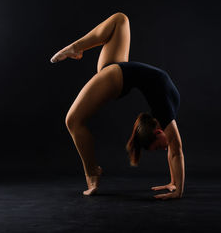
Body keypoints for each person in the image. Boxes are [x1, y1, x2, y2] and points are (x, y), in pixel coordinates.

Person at [50, 12, 185, 200]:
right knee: (72, 121)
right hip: (115, 74)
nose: (163, 149)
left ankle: (76, 48)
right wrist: (178, 191)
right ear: (157, 132)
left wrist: (174, 182)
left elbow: (172, 150)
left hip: (120, 73)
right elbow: (176, 150)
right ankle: (92, 173)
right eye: (156, 148)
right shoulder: (164, 112)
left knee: (120, 21)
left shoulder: (164, 113)